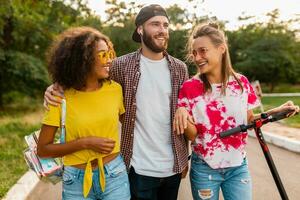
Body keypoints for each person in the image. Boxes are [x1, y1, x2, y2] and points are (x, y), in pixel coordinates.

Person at [44, 4, 189, 200]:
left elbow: (186, 109)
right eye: (155, 24)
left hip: (172, 165)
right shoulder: (120, 65)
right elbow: (83, 71)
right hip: (138, 167)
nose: (162, 30)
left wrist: (183, 158)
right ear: (140, 29)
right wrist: (56, 86)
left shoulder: (180, 69)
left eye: (165, 25)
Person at [174, 22, 299, 200]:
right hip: (204, 168)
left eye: (203, 50)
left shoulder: (241, 83)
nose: (197, 57)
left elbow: (248, 121)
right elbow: (193, 135)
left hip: (238, 167)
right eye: (194, 52)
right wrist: (181, 113)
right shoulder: (189, 88)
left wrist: (276, 111)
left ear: (221, 49)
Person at [37, 27, 130, 200]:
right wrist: (85, 143)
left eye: (110, 54)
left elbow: (132, 123)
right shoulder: (60, 96)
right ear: (83, 58)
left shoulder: (115, 89)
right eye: (103, 55)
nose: (109, 60)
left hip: (114, 175)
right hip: (76, 180)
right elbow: (43, 149)